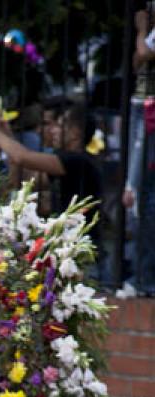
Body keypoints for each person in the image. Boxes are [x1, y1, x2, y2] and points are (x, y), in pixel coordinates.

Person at [0, 102, 103, 223]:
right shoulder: (66, 161)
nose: (53, 131)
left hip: (82, 237)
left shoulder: (77, 161)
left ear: (75, 133)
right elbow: (24, 180)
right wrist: (7, 135)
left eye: (60, 126)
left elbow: (22, 157)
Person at [120, 5, 155, 297]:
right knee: (141, 196)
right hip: (145, 108)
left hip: (150, 110)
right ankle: (142, 276)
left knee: (144, 196)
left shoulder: (149, 30)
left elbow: (142, 55)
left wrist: (141, 29)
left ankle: (145, 279)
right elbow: (137, 62)